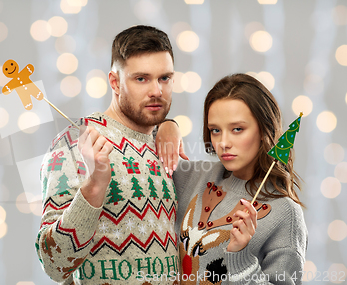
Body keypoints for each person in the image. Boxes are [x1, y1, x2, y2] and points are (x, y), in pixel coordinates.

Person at [35, 25, 184, 284]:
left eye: (164, 78)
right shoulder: (74, 143)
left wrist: (170, 125)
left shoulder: (164, 142)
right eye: (141, 79)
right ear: (114, 82)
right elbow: (54, 265)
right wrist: (94, 187)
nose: (157, 91)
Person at [156, 73, 307, 284]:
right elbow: (138, 144)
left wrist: (240, 257)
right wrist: (167, 126)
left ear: (265, 130)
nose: (223, 143)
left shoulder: (286, 214)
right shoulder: (193, 176)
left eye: (237, 129)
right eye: (215, 130)